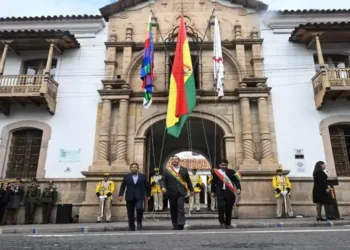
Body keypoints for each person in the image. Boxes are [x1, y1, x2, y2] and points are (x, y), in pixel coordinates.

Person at [160, 155, 194, 230]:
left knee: (180, 207)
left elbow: (188, 181)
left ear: (179, 161)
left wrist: (191, 190)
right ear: (171, 161)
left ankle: (181, 223)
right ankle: (175, 223)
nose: (174, 160)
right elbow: (163, 180)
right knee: (173, 208)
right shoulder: (167, 170)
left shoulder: (184, 169)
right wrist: (163, 187)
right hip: (171, 192)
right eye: (173, 159)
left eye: (176, 159)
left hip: (181, 192)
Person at [118, 163, 150, 231]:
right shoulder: (126, 176)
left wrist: (148, 195)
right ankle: (131, 226)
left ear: (138, 168)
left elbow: (147, 186)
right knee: (130, 212)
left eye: (135, 167)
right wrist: (120, 195)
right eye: (132, 167)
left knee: (139, 209)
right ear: (130, 168)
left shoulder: (142, 176)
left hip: (140, 196)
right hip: (129, 196)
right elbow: (123, 186)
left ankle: (139, 223)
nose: (134, 168)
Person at [211, 159, 241, 229]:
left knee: (229, 208)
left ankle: (228, 223)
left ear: (227, 165)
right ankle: (222, 222)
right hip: (220, 193)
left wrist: (238, 188)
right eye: (223, 165)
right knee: (221, 207)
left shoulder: (232, 172)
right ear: (220, 165)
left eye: (225, 165)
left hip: (229, 193)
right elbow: (213, 183)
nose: (224, 166)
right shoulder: (216, 173)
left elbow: (236, 181)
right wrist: (212, 192)